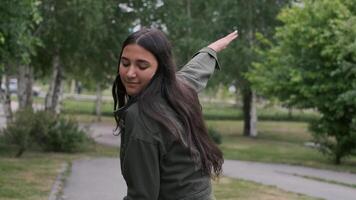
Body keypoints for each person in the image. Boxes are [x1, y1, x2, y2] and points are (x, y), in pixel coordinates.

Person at [112, 28, 238, 200]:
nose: (130, 73)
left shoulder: (141, 116)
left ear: (161, 69)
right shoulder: (178, 89)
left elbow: (141, 196)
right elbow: (195, 72)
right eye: (125, 63)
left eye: (142, 66)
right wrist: (211, 50)